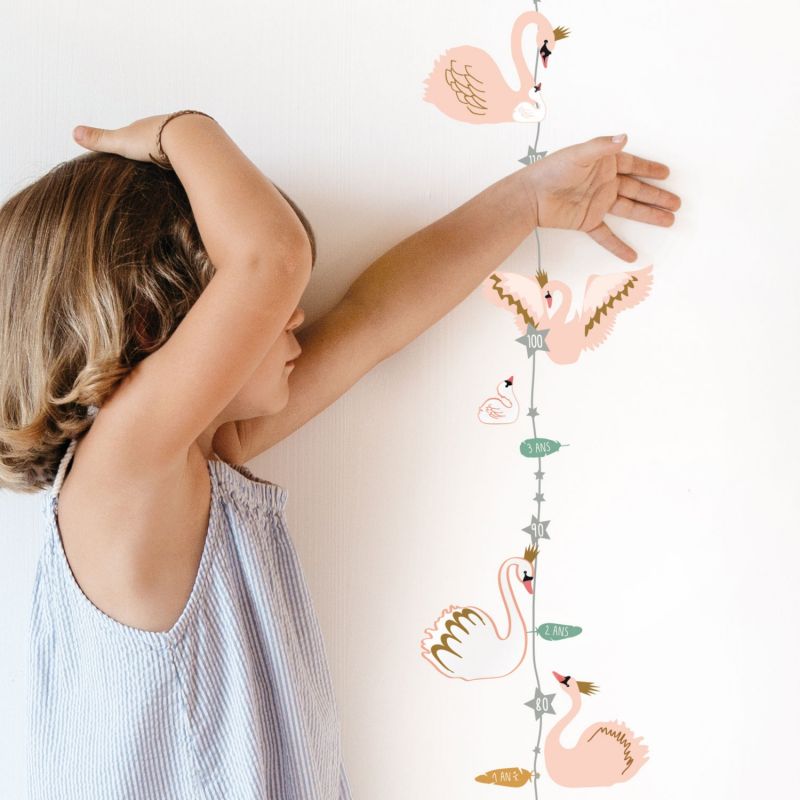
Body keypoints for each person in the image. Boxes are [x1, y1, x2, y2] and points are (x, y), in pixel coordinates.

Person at [0, 111, 680, 799]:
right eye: (261, 305)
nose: (292, 312)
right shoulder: (124, 478)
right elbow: (272, 254)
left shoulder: (199, 470)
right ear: (150, 328)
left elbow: (372, 319)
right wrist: (180, 129)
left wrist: (529, 199)